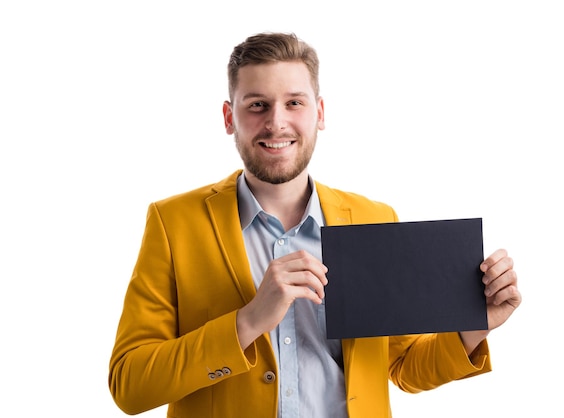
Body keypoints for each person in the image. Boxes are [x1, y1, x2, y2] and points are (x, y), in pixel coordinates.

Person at [108, 32, 521, 418]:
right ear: (229, 116)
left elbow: (401, 367)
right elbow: (129, 385)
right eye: (257, 104)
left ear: (319, 113)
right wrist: (248, 321)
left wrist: (471, 327)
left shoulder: (374, 218)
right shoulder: (173, 223)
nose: (276, 122)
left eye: (294, 103)